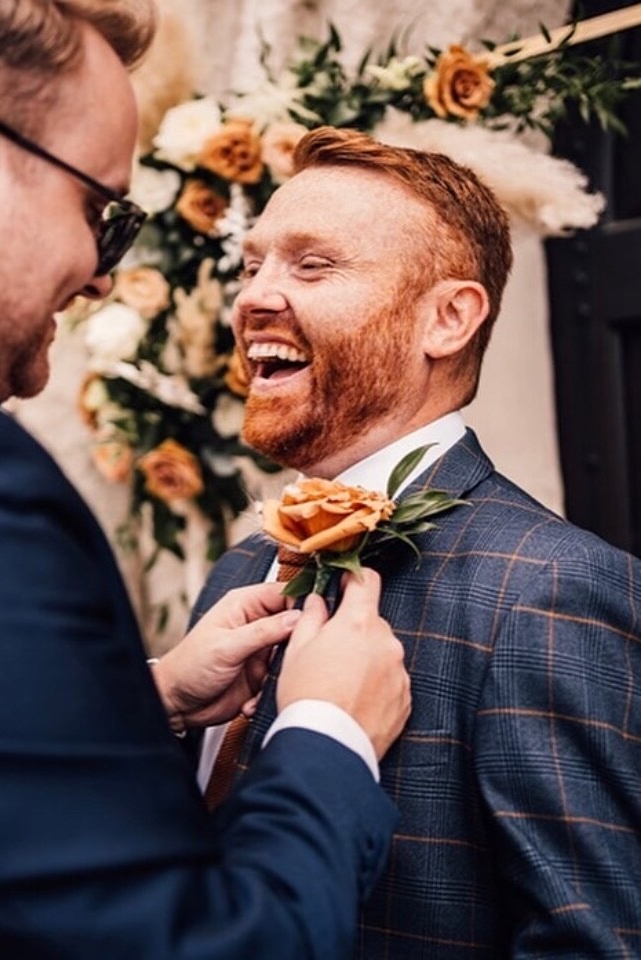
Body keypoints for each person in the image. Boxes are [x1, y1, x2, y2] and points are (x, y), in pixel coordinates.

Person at [0, 4, 413, 957]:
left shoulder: (555, 586)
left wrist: (157, 698)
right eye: (98, 212)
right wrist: (329, 734)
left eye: (315, 264)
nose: (100, 275)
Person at [191, 125, 641, 958]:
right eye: (252, 265)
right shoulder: (240, 571)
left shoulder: (553, 590)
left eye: (312, 265)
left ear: (448, 318)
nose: (252, 296)